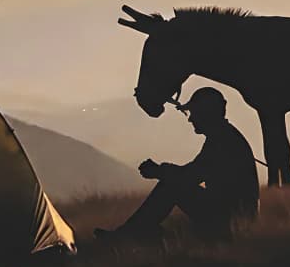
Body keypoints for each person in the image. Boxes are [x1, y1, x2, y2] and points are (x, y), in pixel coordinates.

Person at [95, 87, 259, 243]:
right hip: (236, 216)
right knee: (172, 184)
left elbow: (191, 176)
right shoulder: (224, 136)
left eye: (194, 112)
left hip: (229, 220)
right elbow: (193, 172)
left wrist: (159, 171)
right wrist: (162, 170)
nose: (190, 118)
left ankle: (128, 235)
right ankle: (135, 232)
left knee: (170, 186)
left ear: (206, 114)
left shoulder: (221, 141)